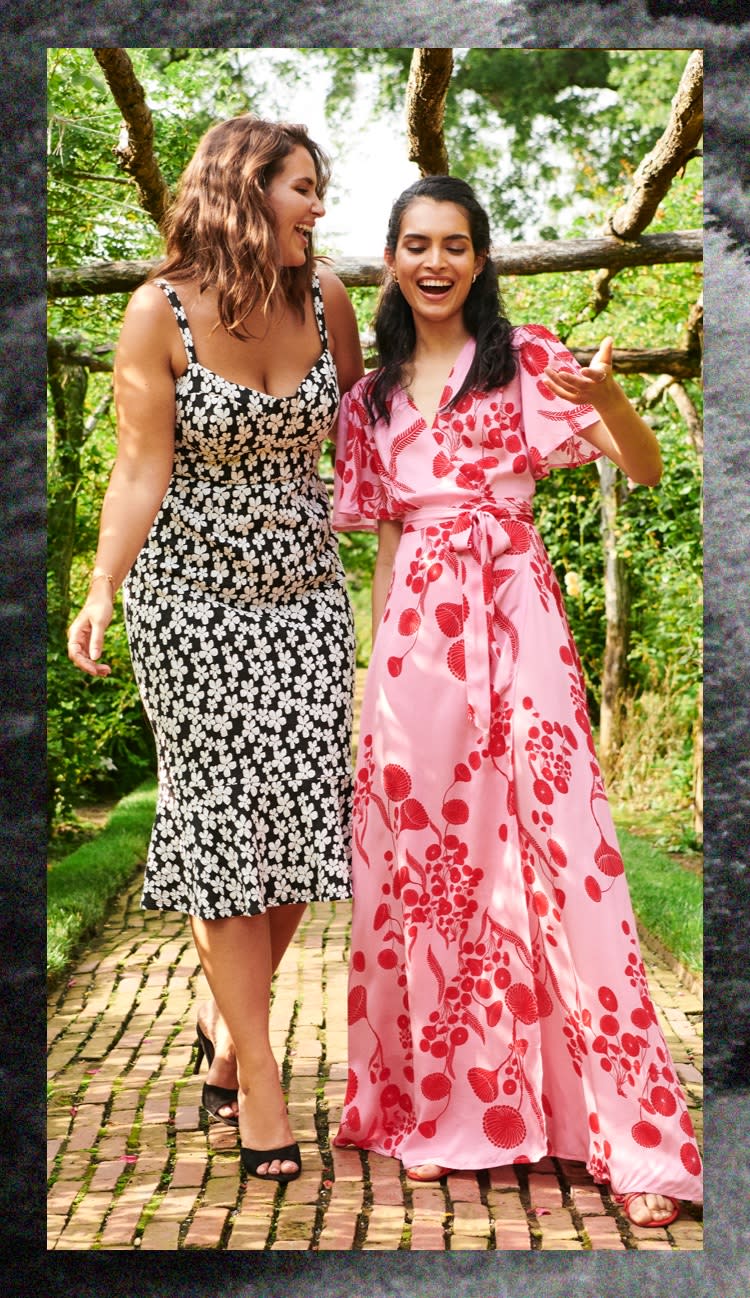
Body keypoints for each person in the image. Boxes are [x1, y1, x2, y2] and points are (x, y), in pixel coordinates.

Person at [331, 175, 702, 1228]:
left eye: (455, 243)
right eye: (416, 244)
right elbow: (388, 543)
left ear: (481, 259)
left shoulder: (533, 359)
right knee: (434, 869)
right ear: (393, 259)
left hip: (519, 620)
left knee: (563, 850)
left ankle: (629, 1139)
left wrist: (614, 403)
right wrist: (378, 677)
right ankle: (449, 1106)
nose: (436, 261)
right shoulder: (370, 402)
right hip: (416, 650)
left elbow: (646, 469)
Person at [67, 115, 364, 1183]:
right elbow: (141, 465)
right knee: (225, 829)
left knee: (294, 827)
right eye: (301, 187)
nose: (318, 207)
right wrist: (103, 585)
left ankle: (218, 1016)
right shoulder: (161, 313)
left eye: (318, 189)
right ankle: (262, 1076)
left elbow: (360, 442)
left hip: (308, 605)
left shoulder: (326, 300)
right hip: (191, 607)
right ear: (246, 190)